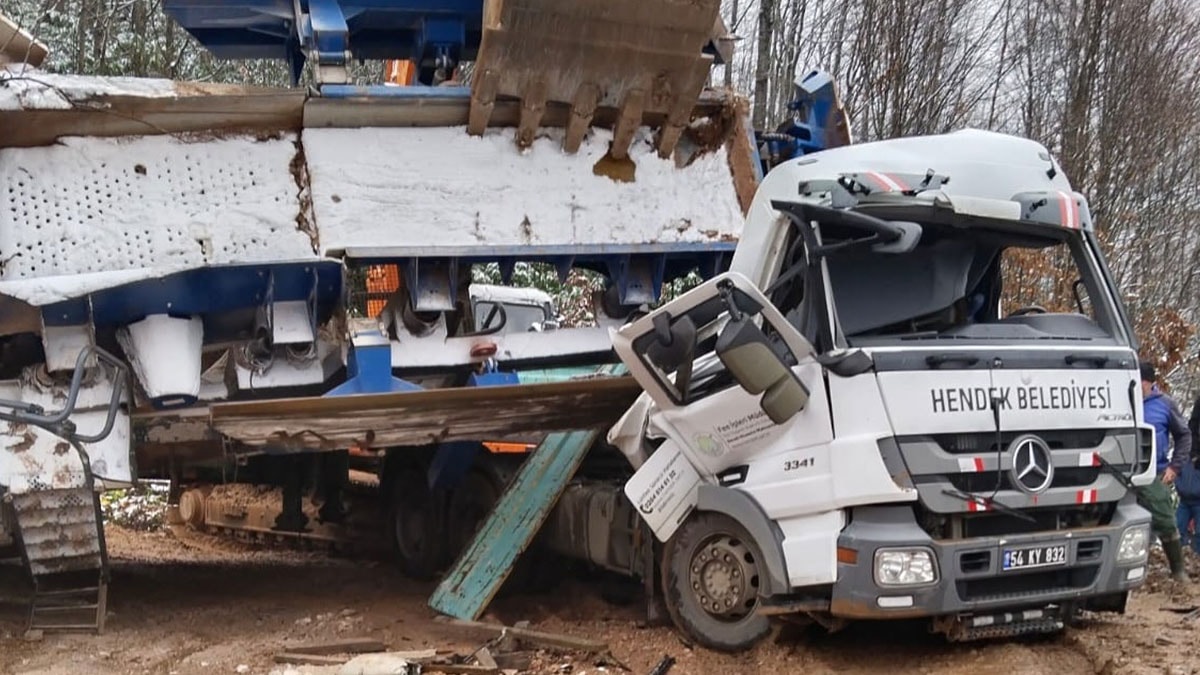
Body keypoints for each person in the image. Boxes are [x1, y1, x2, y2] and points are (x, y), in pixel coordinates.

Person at [1139, 362, 1191, 581]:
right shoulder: (1120, 401)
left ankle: (1178, 571)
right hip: (1121, 471)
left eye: (1141, 382)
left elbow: (1184, 436)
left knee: (1165, 520)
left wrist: (1174, 467)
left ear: (1150, 382)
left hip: (1155, 472)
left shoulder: (1164, 404)